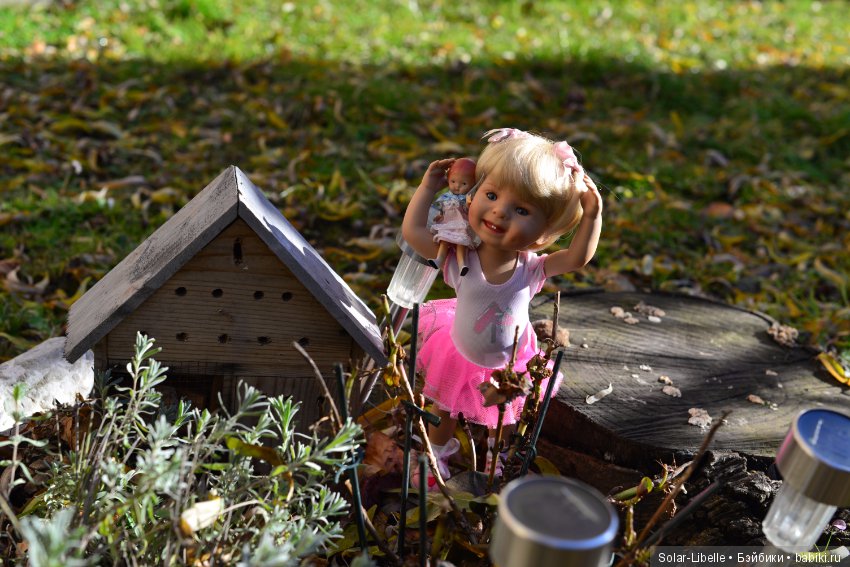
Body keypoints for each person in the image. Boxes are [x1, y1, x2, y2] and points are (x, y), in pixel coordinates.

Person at [401, 127, 603, 484]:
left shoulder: (531, 268)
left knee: (504, 412)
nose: (499, 212)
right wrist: (427, 188)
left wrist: (591, 216)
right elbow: (414, 233)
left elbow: (576, 258)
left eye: (521, 209)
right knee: (444, 407)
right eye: (491, 195)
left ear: (544, 232)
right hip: (460, 353)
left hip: (510, 360)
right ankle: (436, 456)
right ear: (473, 195)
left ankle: (496, 456)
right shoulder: (459, 256)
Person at [427, 157, 477, 275]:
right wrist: (439, 216)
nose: (457, 186)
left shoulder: (467, 198)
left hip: (461, 224)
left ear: (473, 184)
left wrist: (469, 204)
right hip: (447, 223)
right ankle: (439, 260)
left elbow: (470, 210)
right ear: (448, 179)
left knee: (461, 244)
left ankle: (462, 265)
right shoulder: (446, 197)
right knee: (444, 241)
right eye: (453, 181)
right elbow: (441, 208)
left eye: (463, 183)